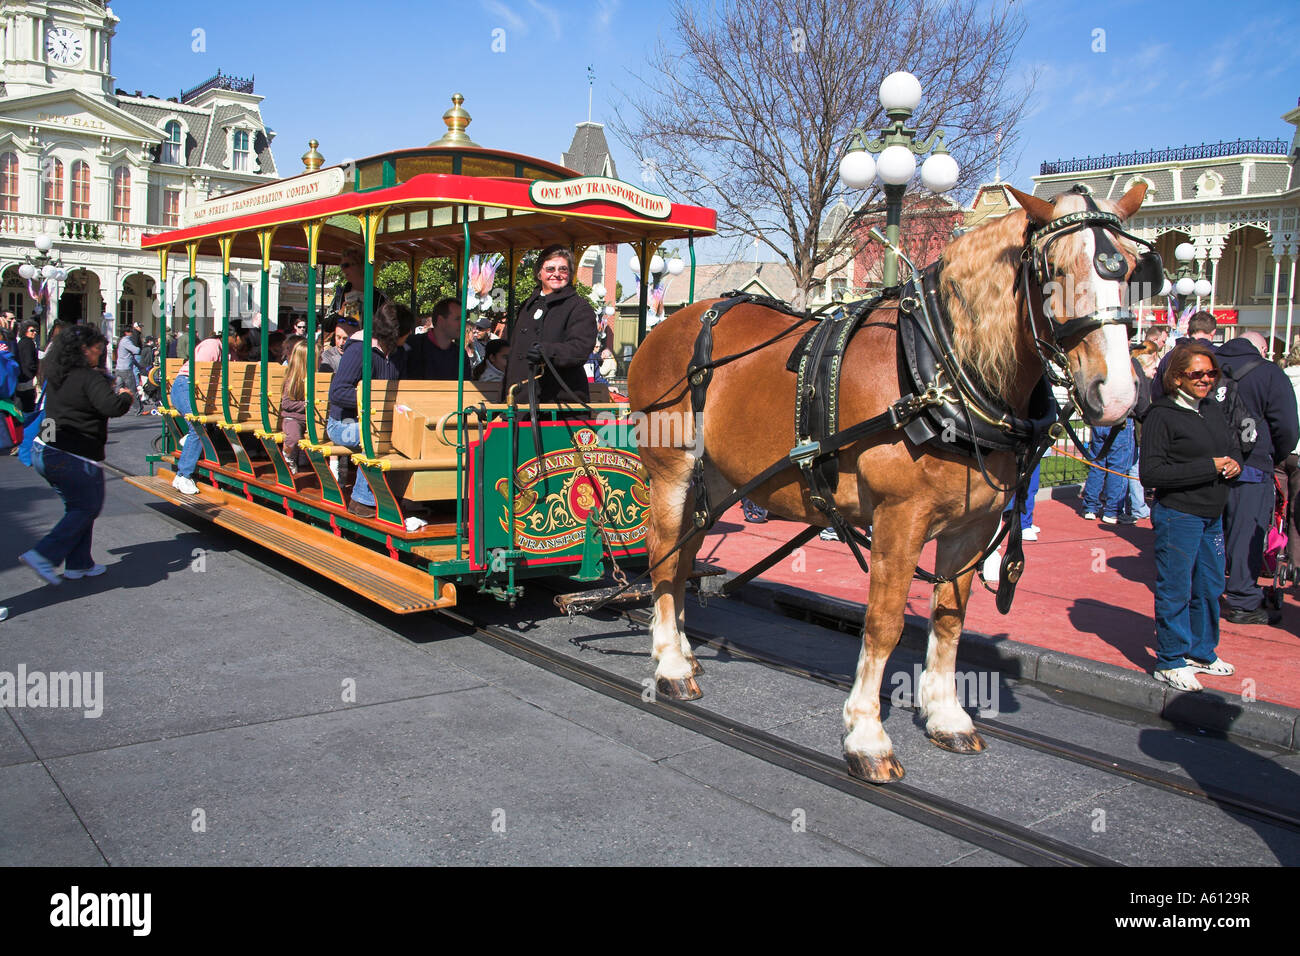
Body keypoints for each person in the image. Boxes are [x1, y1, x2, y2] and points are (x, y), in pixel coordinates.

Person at [1140, 342, 1242, 692]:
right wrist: (1207, 467)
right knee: (1176, 587)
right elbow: (1151, 473)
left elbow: (1228, 447)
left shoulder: (1212, 409)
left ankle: (1202, 652)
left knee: (1210, 586)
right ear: (1177, 377)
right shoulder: (1161, 415)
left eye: (1211, 373)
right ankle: (1170, 659)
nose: (1206, 380)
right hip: (1178, 515)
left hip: (1211, 513)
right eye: (1196, 374)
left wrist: (1232, 462)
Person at [19, 324, 134, 585]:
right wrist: (126, 396)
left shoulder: (58, 372)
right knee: (87, 506)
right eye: (98, 350)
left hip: (45, 449)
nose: (100, 354)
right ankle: (44, 555)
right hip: (74, 456)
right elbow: (110, 406)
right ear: (85, 350)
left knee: (78, 507)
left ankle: (79, 564)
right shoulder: (88, 376)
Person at [1215, 330, 1299, 625]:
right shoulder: (1268, 373)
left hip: (1205, 463)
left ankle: (1203, 591)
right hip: (1252, 464)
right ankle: (1242, 599)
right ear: (1261, 349)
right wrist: (1274, 454)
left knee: (1208, 532)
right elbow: (1287, 426)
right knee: (1245, 534)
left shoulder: (1204, 365)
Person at [327, 300, 413, 517]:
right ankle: (361, 500)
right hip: (343, 424)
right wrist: (371, 403)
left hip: (380, 423)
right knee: (378, 436)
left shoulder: (398, 354)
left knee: (404, 435)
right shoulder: (359, 351)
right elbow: (337, 392)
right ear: (396, 333)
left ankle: (396, 495)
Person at [501, 244, 597, 403]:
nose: (557, 274)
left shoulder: (579, 308)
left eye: (563, 269)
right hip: (520, 399)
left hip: (557, 403)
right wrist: (502, 400)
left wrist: (547, 352)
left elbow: (579, 349)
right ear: (539, 273)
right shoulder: (527, 306)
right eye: (550, 269)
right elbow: (514, 357)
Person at [169, 326, 238, 495]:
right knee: (198, 427)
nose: (239, 343)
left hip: (200, 392)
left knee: (202, 427)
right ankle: (184, 475)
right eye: (237, 339)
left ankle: (182, 471)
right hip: (186, 387)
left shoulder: (228, 352)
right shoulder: (212, 345)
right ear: (230, 337)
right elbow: (200, 373)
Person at [1122, 347, 1158, 523]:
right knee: (1131, 468)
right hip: (1134, 428)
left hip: (1135, 427)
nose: (1156, 371)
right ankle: (1134, 506)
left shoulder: (1146, 380)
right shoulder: (1135, 372)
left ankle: (1127, 506)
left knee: (1128, 467)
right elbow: (1143, 406)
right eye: (1153, 367)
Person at [1152, 311, 1216, 400]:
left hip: (1172, 407)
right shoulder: (1218, 355)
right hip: (1207, 409)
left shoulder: (1170, 356)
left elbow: (1157, 392)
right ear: (1213, 332)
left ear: (1189, 331)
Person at [404, 298, 463, 380]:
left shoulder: (460, 355)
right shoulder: (411, 346)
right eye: (457, 319)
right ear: (441, 321)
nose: (462, 324)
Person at [280, 338, 313, 475]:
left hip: (309, 418)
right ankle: (287, 455)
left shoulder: (315, 377)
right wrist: (304, 405)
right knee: (294, 436)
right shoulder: (292, 380)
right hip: (293, 418)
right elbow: (286, 403)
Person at [1282, 343, 1300, 579]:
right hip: (1298, 452)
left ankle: (1270, 553)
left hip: (1279, 450)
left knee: (1275, 509)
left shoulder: (1279, 379)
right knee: (1296, 511)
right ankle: (1295, 563)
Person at [14, 320, 39, 413]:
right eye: (32, 330)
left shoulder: (21, 343)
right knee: (28, 408)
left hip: (20, 378)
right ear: (25, 331)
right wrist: (34, 372)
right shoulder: (29, 343)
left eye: (36, 331)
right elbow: (29, 362)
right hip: (27, 380)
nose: (35, 333)